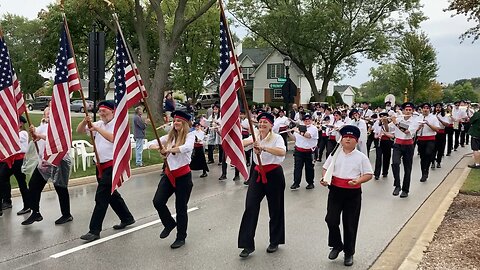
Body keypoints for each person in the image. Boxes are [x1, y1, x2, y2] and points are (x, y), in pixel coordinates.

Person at [78, 100, 135, 241]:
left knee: (101, 197)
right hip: (100, 166)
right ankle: (127, 218)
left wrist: (97, 129)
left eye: (104, 111)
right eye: (100, 111)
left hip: (112, 166)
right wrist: (85, 122)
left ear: (112, 111)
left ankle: (94, 230)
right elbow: (79, 131)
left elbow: (113, 138)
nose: (101, 113)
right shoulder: (99, 124)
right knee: (112, 195)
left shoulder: (118, 125)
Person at [320, 125, 373, 267]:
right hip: (335, 191)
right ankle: (337, 245)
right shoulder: (335, 154)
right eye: (345, 137)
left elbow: (369, 174)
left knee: (350, 224)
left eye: (351, 138)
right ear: (341, 140)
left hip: (352, 192)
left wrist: (358, 180)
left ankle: (349, 253)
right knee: (331, 219)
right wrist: (325, 178)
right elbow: (325, 168)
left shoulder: (361, 157)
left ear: (356, 141)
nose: (348, 139)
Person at [237, 112, 287, 258]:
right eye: (260, 122)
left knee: (275, 209)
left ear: (271, 125)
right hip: (257, 174)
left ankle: (275, 240)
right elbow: (241, 144)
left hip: (274, 174)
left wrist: (264, 148)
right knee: (250, 206)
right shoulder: (255, 136)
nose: (262, 125)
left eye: (266, 122)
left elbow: (281, 152)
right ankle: (247, 244)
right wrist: (249, 142)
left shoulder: (277, 138)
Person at [151, 111, 195, 249]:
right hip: (169, 175)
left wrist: (169, 150)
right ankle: (169, 223)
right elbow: (151, 143)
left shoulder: (190, 135)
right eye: (174, 120)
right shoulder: (169, 136)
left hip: (183, 177)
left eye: (179, 121)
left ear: (185, 124)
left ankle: (181, 237)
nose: (176, 123)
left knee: (181, 208)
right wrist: (157, 146)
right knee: (158, 201)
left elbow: (187, 147)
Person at [22, 107, 73, 225]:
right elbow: (35, 137)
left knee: (60, 187)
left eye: (50, 113)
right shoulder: (42, 127)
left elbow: (56, 140)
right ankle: (35, 213)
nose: (48, 115)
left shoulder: (62, 126)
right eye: (46, 113)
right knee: (33, 185)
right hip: (45, 162)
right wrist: (33, 132)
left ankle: (66, 214)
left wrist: (39, 135)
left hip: (60, 160)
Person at [0, 116, 30, 215]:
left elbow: (14, 140)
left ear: (21, 124)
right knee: (3, 178)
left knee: (21, 183)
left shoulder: (23, 133)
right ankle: (6, 201)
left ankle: (27, 206)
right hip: (11, 160)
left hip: (19, 160)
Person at [390, 102, 419, 198]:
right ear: (403, 110)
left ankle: (405, 190)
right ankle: (397, 185)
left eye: (410, 110)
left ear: (412, 111)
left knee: (407, 168)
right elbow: (388, 128)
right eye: (406, 110)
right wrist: (387, 119)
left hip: (408, 145)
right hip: (397, 144)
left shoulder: (415, 121)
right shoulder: (398, 118)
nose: (408, 111)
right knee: (395, 163)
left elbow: (407, 132)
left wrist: (396, 123)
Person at [288, 114, 318, 190]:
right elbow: (295, 139)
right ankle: (296, 183)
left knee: (309, 168)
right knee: (297, 167)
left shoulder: (313, 128)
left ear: (311, 120)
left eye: (309, 120)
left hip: (310, 151)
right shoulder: (299, 127)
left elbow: (308, 136)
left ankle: (310, 183)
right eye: (305, 121)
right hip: (299, 151)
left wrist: (297, 131)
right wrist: (289, 133)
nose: (307, 122)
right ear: (303, 121)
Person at [415, 103, 439, 182]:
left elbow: (437, 129)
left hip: (430, 139)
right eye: (424, 108)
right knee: (422, 157)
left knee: (428, 154)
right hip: (421, 139)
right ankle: (423, 173)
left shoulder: (433, 118)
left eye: (427, 108)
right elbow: (413, 130)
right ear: (421, 109)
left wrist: (428, 124)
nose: (425, 109)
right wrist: (419, 127)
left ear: (429, 109)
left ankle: (427, 170)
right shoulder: (418, 118)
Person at [373, 112, 394, 180]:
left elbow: (392, 136)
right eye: (381, 117)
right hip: (379, 142)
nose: (382, 118)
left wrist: (384, 133)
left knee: (386, 157)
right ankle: (377, 173)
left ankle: (385, 172)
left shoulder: (391, 124)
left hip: (387, 142)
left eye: (384, 117)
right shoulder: (377, 124)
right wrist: (378, 135)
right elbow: (375, 135)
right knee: (378, 157)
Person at [433, 103, 449, 168]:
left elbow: (447, 124)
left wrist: (439, 119)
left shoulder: (444, 115)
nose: (438, 108)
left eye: (439, 107)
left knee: (441, 148)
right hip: (434, 133)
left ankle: (438, 162)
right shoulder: (432, 115)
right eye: (437, 107)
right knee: (433, 148)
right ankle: (432, 161)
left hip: (441, 133)